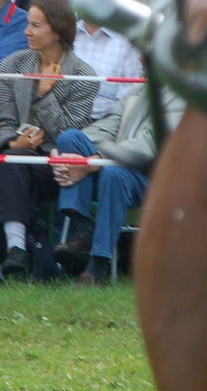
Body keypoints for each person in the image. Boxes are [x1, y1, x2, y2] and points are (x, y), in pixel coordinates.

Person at [0, 0, 98, 281]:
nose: (26, 31)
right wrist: (13, 142)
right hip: (17, 156)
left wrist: (45, 94)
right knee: (13, 163)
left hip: (57, 164)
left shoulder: (84, 76)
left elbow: (70, 131)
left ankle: (0, 260)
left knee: (11, 168)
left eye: (36, 25)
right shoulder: (13, 63)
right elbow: (2, 118)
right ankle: (15, 250)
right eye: (28, 25)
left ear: (57, 31)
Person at [51, 82, 187, 285]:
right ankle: (83, 231)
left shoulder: (182, 97)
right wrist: (62, 155)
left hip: (154, 179)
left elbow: (149, 143)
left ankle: (98, 263)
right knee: (70, 138)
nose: (141, 57)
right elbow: (104, 128)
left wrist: (95, 161)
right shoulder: (137, 92)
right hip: (114, 167)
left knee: (114, 174)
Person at [71, 0, 143, 119]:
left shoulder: (129, 41)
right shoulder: (68, 34)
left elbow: (127, 100)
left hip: (104, 127)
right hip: (62, 122)